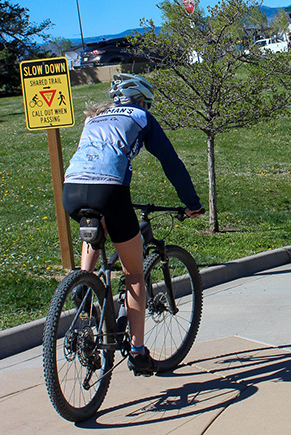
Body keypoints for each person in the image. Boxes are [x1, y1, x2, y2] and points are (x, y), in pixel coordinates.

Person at [62, 73, 204, 375]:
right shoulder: (141, 117)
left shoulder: (93, 119)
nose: (148, 107)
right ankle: (139, 353)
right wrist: (192, 203)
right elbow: (171, 163)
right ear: (141, 101)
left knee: (96, 221)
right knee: (135, 274)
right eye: (148, 103)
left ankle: (84, 283)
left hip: (72, 189)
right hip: (110, 190)